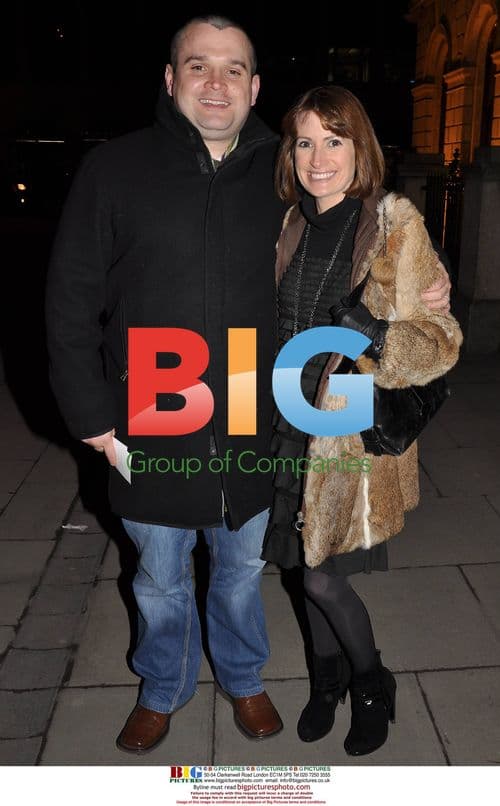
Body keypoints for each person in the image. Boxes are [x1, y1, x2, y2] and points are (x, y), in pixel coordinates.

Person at [45, 16, 451, 755]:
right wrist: (93, 420)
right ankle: (161, 688)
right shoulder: (115, 168)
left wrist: (427, 281)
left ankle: (242, 678)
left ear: (255, 86)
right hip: (151, 411)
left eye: (233, 69)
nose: (215, 82)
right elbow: (70, 298)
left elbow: (359, 233)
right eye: (197, 66)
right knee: (159, 578)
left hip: (251, 414)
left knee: (239, 572)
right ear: (170, 80)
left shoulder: (285, 170)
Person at [261, 85, 462, 756]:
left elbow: (438, 341)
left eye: (334, 140)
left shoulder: (392, 224)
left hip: (345, 432)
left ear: (359, 148)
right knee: (302, 568)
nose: (319, 158)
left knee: (322, 575)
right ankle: (327, 684)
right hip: (284, 423)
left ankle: (371, 684)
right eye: (306, 142)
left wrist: (377, 335)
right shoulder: (283, 223)